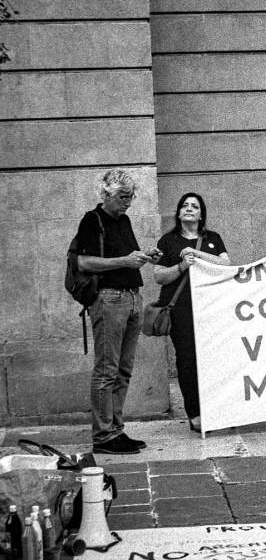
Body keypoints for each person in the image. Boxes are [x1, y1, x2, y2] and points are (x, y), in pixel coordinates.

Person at [75, 169, 161, 455]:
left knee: (123, 370)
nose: (128, 202)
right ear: (105, 195)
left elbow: (129, 259)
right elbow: (84, 263)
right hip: (109, 298)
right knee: (106, 370)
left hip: (132, 297)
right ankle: (103, 436)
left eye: (131, 197)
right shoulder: (92, 220)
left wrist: (145, 255)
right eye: (123, 197)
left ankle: (116, 430)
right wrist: (125, 259)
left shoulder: (123, 221)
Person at [153, 193, 230, 433]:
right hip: (181, 310)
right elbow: (158, 276)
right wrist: (181, 266)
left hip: (209, 309)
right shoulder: (167, 241)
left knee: (213, 359)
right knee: (187, 361)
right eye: (184, 205)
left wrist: (195, 254)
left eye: (194, 206)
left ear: (201, 214)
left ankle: (217, 409)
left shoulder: (213, 238)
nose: (189, 209)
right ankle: (194, 413)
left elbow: (226, 265)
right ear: (178, 213)